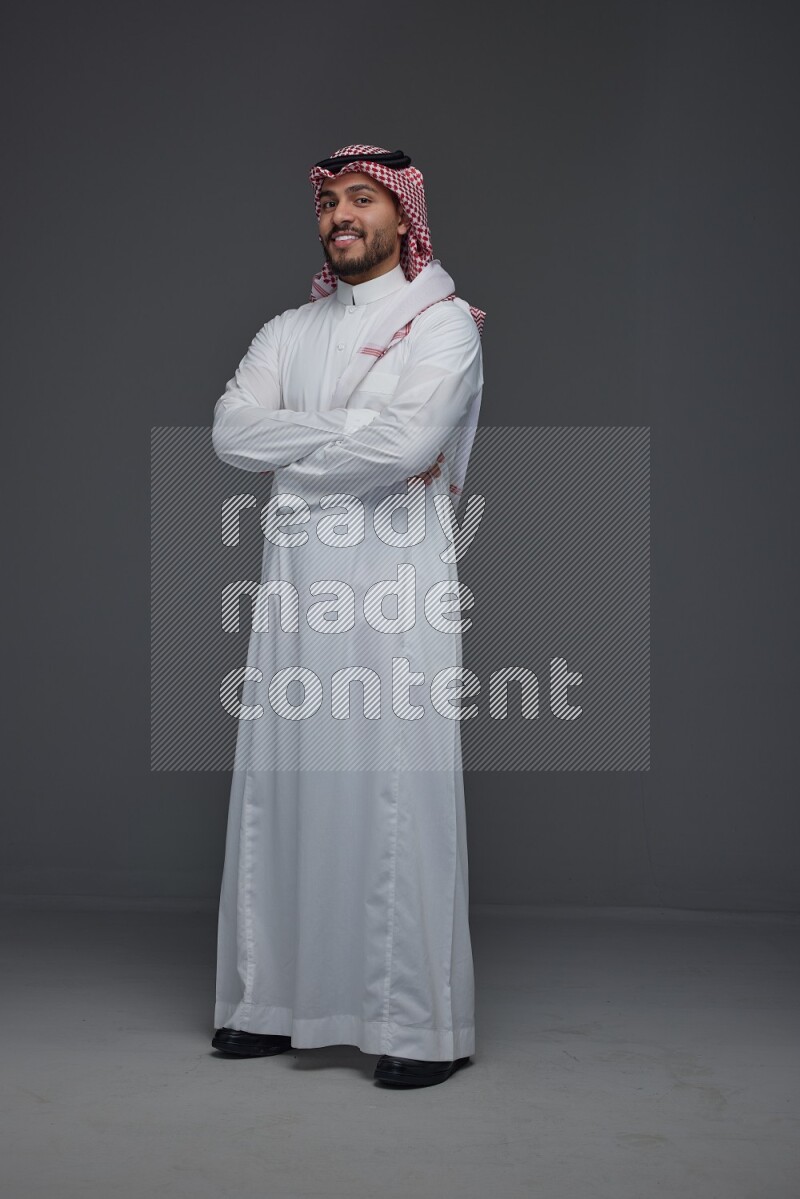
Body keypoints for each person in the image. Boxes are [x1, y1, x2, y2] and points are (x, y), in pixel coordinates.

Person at [210, 144, 485, 1088]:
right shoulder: (288, 329)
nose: (341, 216)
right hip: (295, 590)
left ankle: (413, 1025)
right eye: (328, 202)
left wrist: (299, 454)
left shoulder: (444, 327)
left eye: (361, 199)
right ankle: (268, 1005)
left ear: (403, 217)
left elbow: (413, 441)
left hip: (394, 585)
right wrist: (346, 441)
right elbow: (231, 430)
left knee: (391, 790)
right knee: (282, 783)